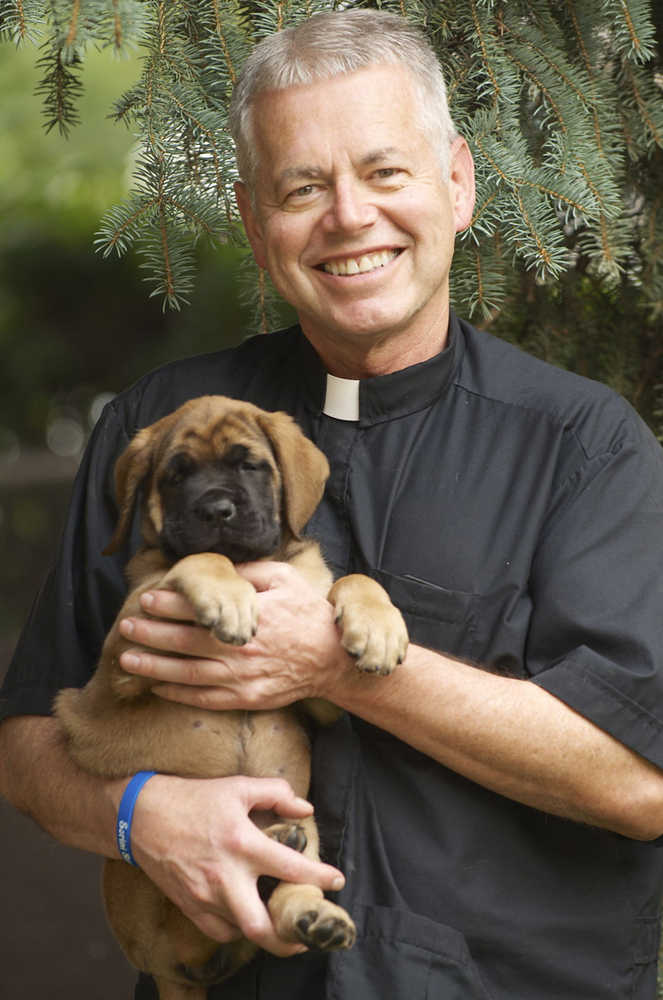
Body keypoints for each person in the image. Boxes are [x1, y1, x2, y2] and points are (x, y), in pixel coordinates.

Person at [3, 9, 663, 999]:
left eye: (385, 172)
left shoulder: (584, 445)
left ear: (459, 184)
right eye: (303, 186)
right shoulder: (162, 428)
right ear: (253, 218)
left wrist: (337, 667)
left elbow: (640, 781)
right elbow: (26, 747)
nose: (349, 216)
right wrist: (139, 812)